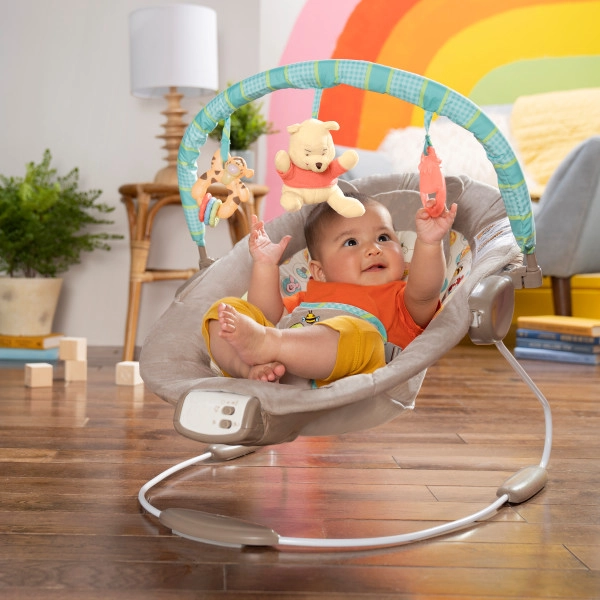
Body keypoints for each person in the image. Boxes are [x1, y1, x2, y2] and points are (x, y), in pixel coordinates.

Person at [202, 192, 457, 386]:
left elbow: (426, 291)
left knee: (363, 335)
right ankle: (247, 369)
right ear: (319, 272)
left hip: (342, 376)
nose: (373, 249)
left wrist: (429, 242)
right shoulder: (311, 295)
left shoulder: (400, 297)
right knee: (223, 311)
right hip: (278, 369)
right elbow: (266, 315)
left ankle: (267, 345)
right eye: (351, 242)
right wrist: (266, 266)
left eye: (383, 238)